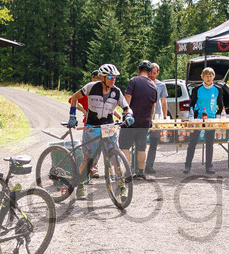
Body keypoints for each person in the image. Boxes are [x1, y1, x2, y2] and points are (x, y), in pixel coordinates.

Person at [67, 63, 130, 199]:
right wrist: (72, 116)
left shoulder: (117, 92)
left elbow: (126, 107)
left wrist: (129, 115)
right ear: (102, 77)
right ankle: (81, 185)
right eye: (110, 77)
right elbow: (74, 98)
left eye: (115, 77)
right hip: (92, 127)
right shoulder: (91, 87)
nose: (113, 80)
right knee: (88, 159)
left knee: (115, 159)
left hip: (108, 127)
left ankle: (121, 185)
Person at [120, 60, 158, 179]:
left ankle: (128, 172)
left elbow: (128, 97)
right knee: (141, 147)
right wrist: (150, 120)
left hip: (131, 120)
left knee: (125, 146)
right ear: (150, 72)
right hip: (145, 121)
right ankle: (141, 172)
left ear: (138, 70)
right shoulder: (154, 86)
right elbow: (153, 106)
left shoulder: (134, 81)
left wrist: (125, 113)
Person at [184, 67, 224, 175]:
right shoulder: (197, 89)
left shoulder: (217, 89)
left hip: (211, 118)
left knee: (209, 143)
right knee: (192, 142)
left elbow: (220, 104)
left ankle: (209, 166)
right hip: (198, 118)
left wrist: (219, 115)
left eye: (211, 76)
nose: (209, 78)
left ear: (213, 77)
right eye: (207, 76)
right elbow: (192, 103)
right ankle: (187, 165)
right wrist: (192, 115)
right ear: (203, 77)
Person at [144, 62, 167, 174]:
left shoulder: (161, 85)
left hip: (157, 116)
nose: (152, 75)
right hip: (144, 115)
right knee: (141, 141)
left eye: (154, 73)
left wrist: (165, 116)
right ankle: (138, 165)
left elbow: (163, 101)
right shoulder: (143, 83)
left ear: (157, 73)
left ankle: (149, 165)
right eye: (150, 73)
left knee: (154, 142)